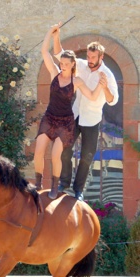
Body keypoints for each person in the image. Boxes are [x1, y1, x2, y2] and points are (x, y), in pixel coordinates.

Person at [34, 24, 107, 200]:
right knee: (38, 151)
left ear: (73, 64)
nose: (63, 66)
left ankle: (54, 186)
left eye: (67, 64)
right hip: (49, 118)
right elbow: (45, 51)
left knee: (55, 155)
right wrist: (50, 33)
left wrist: (100, 86)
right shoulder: (54, 73)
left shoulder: (77, 81)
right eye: (62, 63)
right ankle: (37, 185)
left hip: (65, 123)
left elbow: (90, 96)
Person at [53, 23, 119, 201]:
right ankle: (64, 182)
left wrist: (104, 88)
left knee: (87, 157)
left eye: (93, 57)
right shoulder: (80, 65)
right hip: (75, 115)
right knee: (65, 150)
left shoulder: (108, 75)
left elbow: (114, 100)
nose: (89, 59)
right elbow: (60, 54)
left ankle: (78, 190)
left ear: (101, 57)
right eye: (88, 56)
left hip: (92, 120)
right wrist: (56, 35)